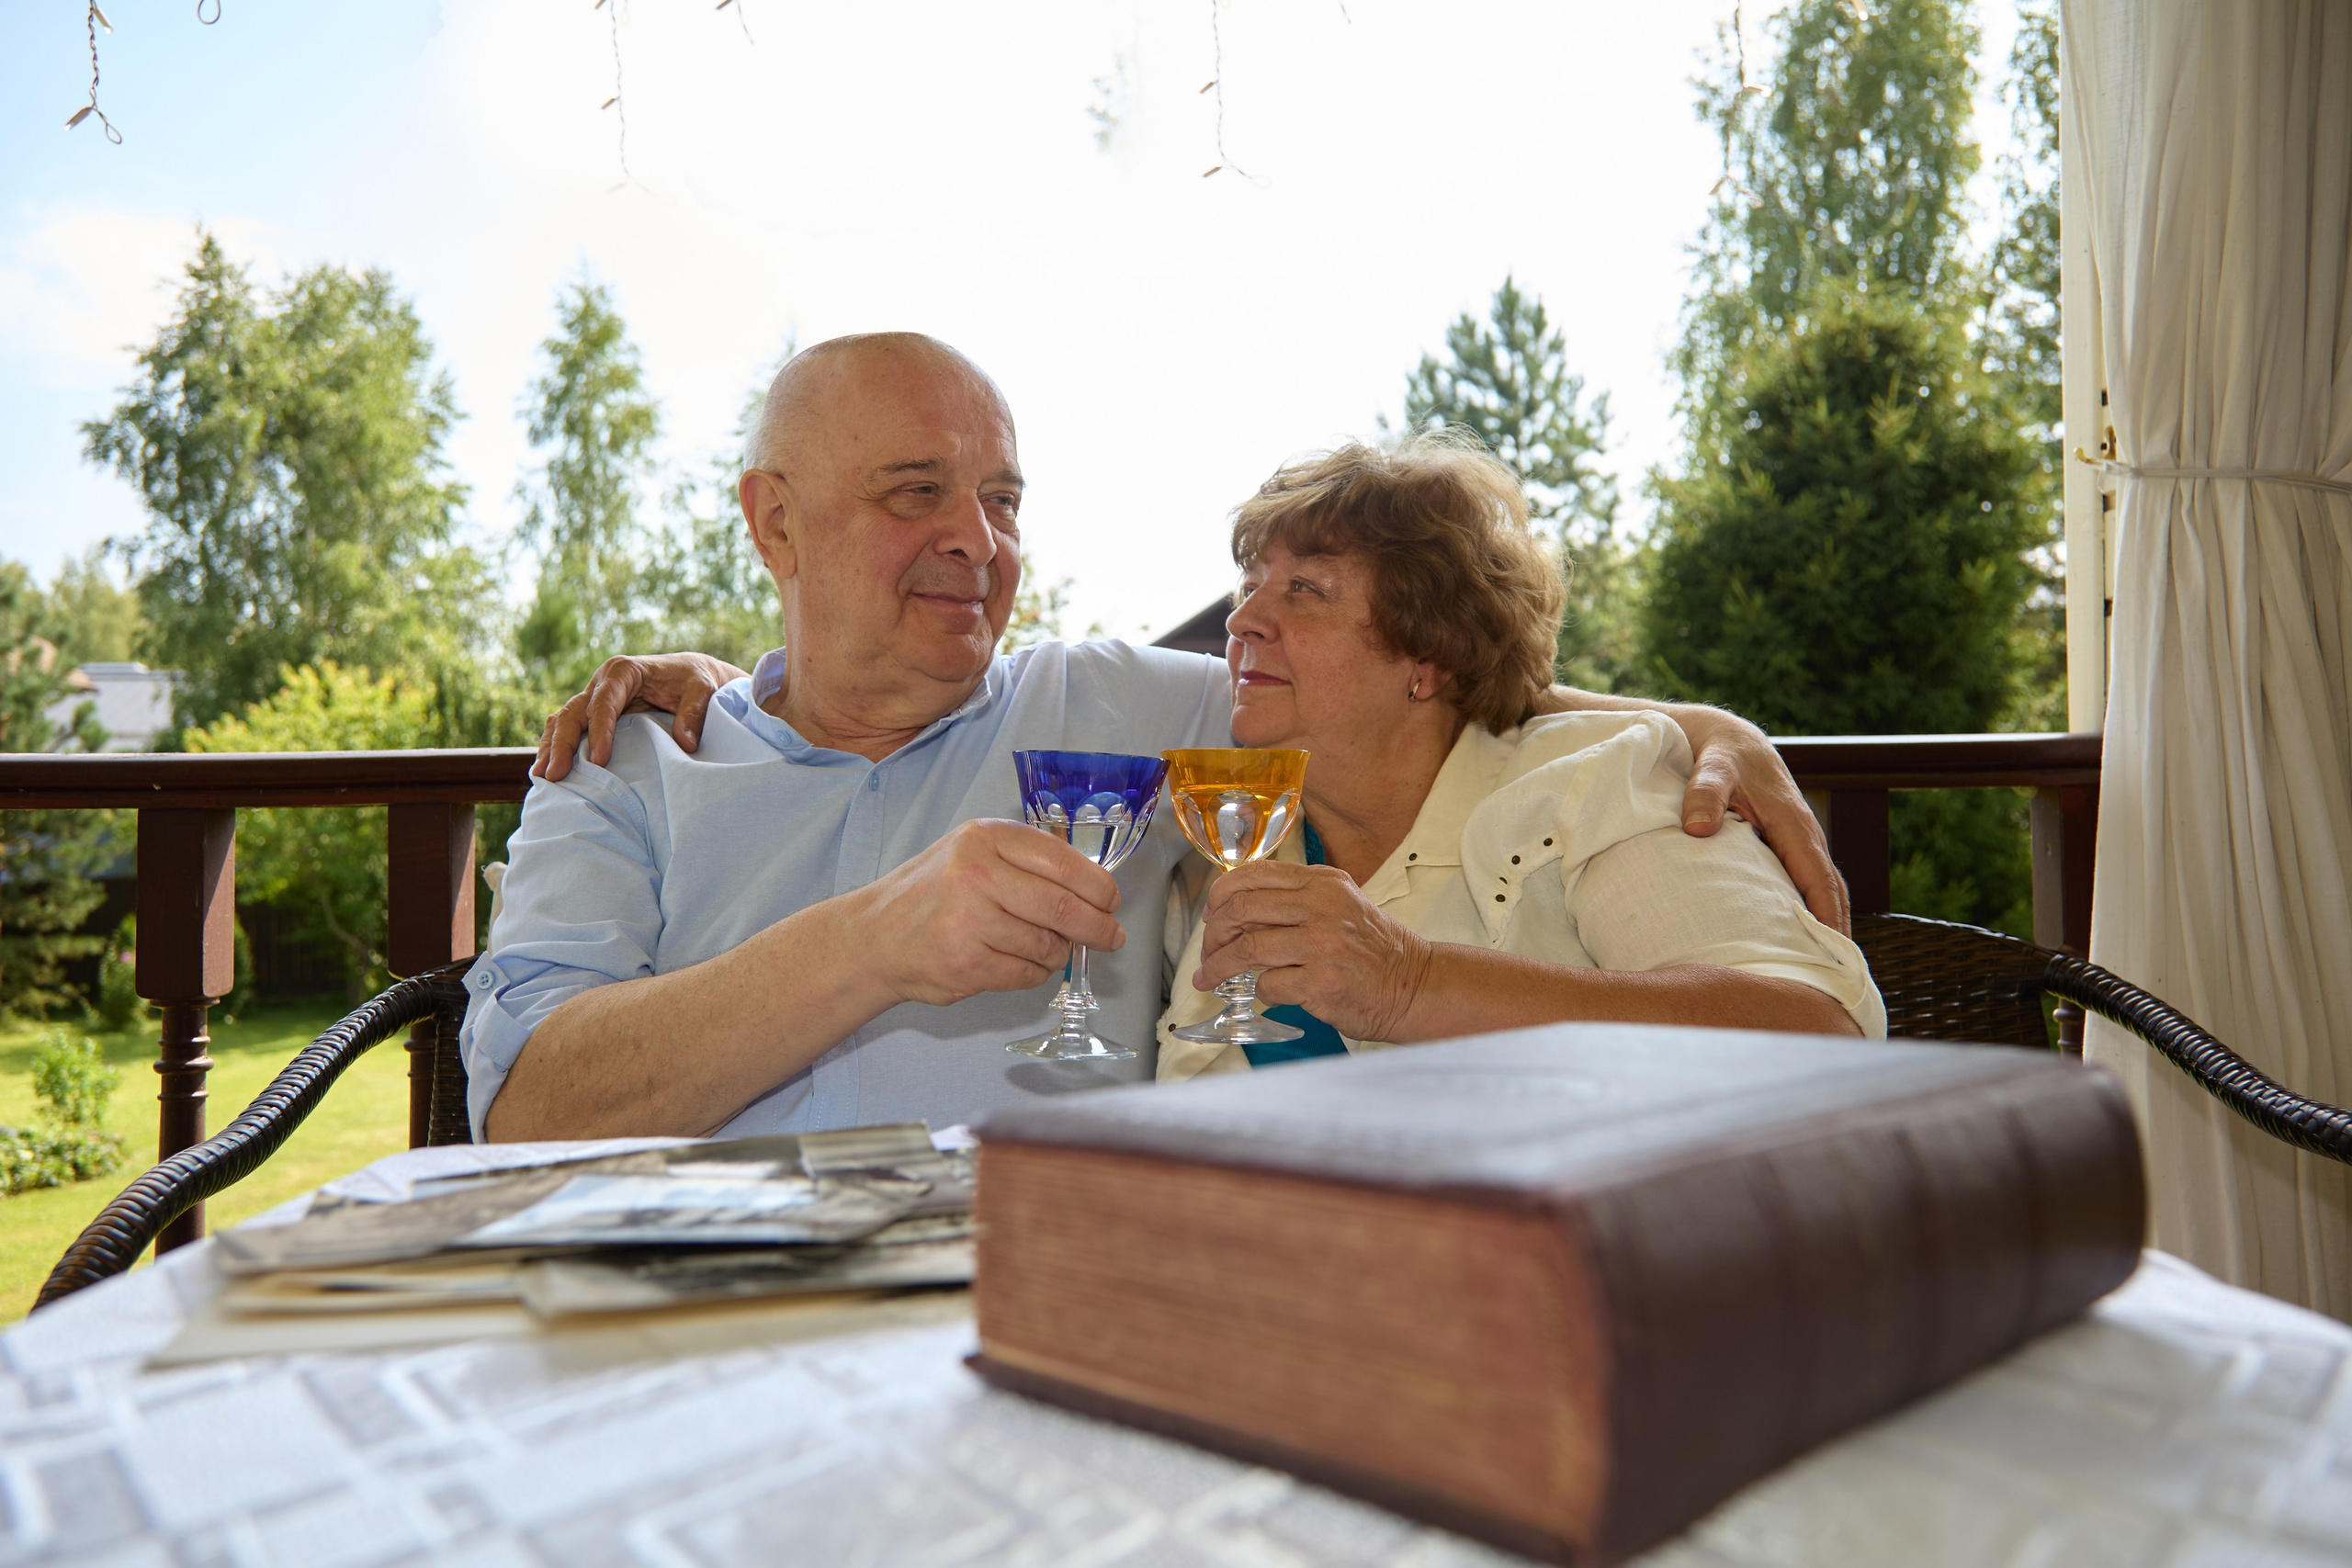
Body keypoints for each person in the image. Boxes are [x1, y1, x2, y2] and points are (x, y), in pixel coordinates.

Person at [476, 331, 1848, 1143]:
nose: (978, 538)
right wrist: (868, 940)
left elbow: (1413, 680)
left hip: (1025, 1308)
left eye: (1003, 499)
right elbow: (527, 1110)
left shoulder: (1125, 712)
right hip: (680, 1314)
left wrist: (1703, 723)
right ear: (773, 519)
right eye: (918, 492)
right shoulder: (629, 760)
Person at [1153, 435, 1881, 1080]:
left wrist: (1412, 984)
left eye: (1304, 589)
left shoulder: (1599, 784)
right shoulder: (1231, 846)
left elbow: (1818, 1041)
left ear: (1429, 655)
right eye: (1249, 588)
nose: (1242, 620)